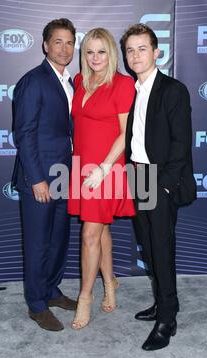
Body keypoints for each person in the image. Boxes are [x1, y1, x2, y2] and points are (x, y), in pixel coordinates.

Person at [121, 24, 197, 350]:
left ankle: (168, 319)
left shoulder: (172, 90)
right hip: (137, 175)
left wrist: (163, 186)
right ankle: (161, 302)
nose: (136, 55)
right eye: (130, 50)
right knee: (149, 248)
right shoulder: (132, 89)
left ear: (156, 52)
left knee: (162, 250)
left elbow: (181, 144)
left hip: (157, 180)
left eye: (142, 48)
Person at [12, 19, 77, 331]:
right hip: (39, 177)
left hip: (64, 175)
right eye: (58, 42)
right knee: (38, 243)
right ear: (45, 45)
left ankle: (51, 291)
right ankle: (36, 304)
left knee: (58, 240)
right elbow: (24, 134)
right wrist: (37, 179)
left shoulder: (71, 82)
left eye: (69, 42)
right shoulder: (33, 81)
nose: (64, 48)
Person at [68, 28, 135, 330]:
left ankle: (85, 297)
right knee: (100, 229)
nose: (95, 58)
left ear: (112, 53)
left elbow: (126, 134)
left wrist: (104, 168)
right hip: (82, 167)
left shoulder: (123, 84)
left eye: (102, 51)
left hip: (105, 170)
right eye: (90, 52)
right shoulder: (81, 81)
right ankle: (110, 282)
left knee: (89, 235)